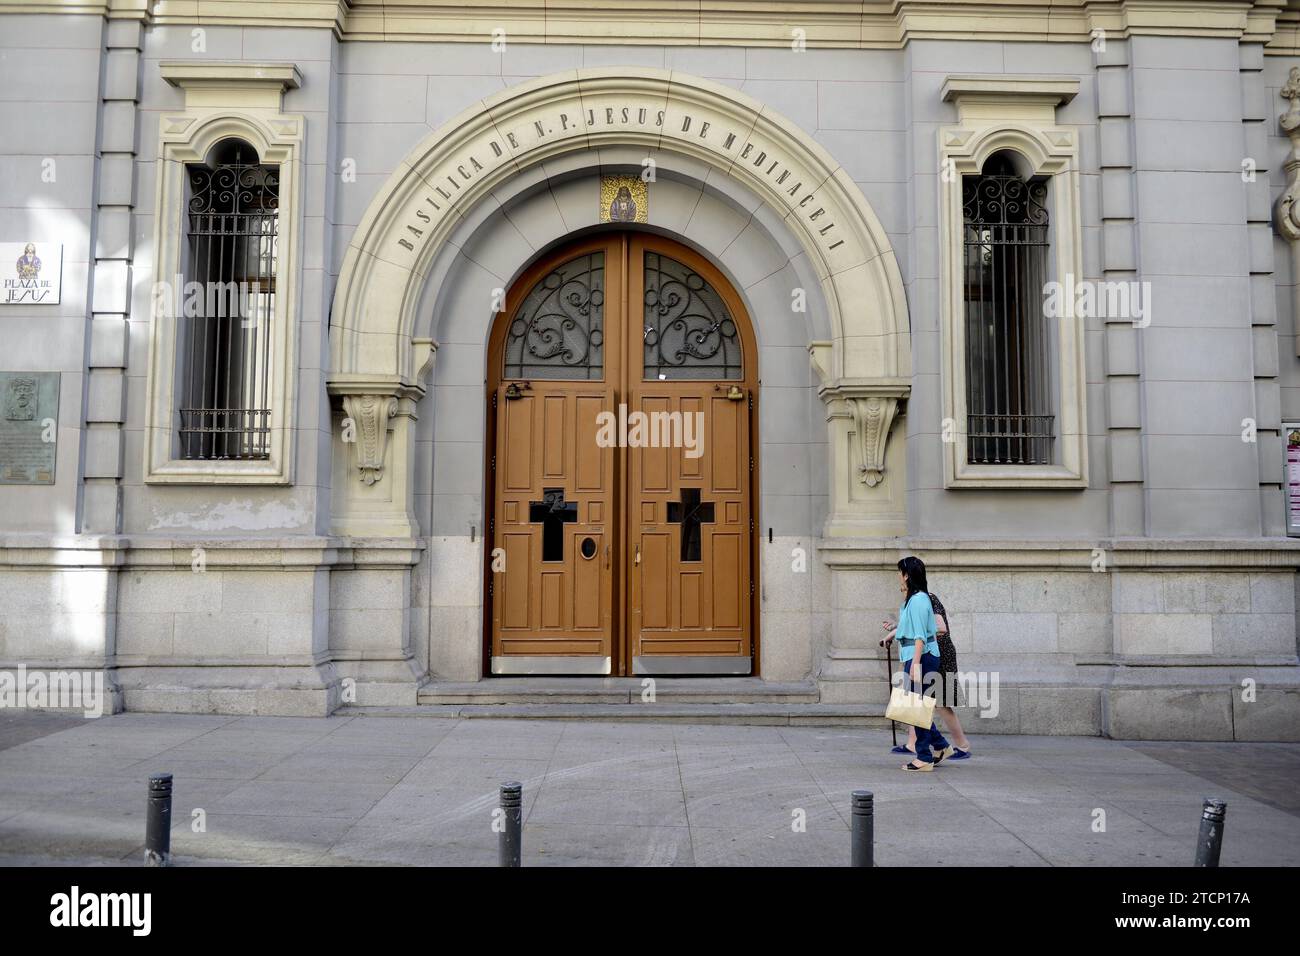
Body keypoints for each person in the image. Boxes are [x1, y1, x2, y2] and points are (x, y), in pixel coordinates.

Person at [880, 556, 949, 771]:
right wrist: (891, 635)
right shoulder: (912, 599)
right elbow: (908, 628)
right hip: (917, 656)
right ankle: (940, 746)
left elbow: (920, 635)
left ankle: (924, 757)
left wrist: (916, 664)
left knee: (915, 707)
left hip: (922, 656)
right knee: (916, 707)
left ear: (907, 575)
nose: (898, 577)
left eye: (900, 572)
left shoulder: (919, 600)